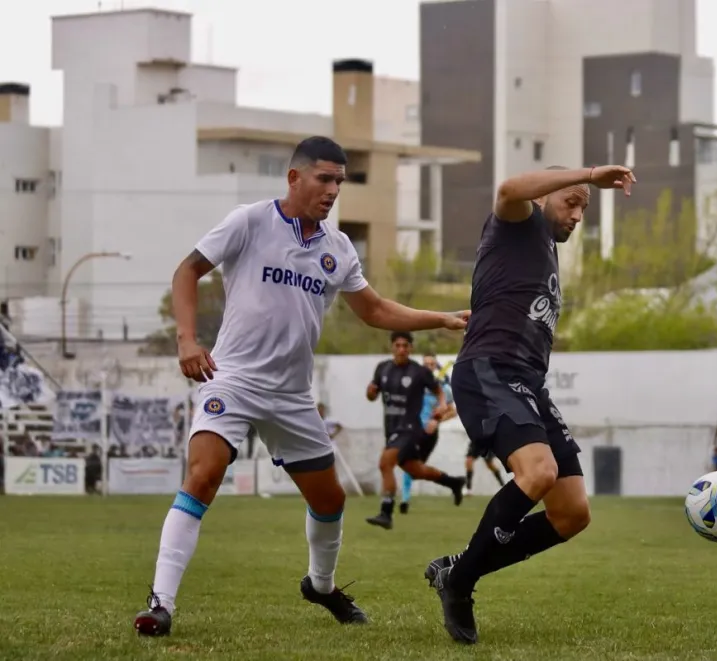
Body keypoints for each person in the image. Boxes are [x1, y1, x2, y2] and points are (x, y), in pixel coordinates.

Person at [132, 136, 469, 637]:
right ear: (294, 178)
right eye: (324, 178)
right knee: (203, 475)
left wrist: (440, 318)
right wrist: (186, 339)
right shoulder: (250, 221)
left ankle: (321, 585)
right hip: (234, 380)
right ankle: (161, 604)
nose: (334, 189)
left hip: (291, 396)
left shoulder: (337, 248)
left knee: (331, 501)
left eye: (340, 181)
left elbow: (374, 310)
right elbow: (188, 271)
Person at [423, 164, 636, 645]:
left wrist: (577, 187)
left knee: (572, 513)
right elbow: (506, 189)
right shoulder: (518, 224)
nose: (579, 213)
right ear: (545, 197)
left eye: (585, 205)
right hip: (488, 371)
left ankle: (459, 566)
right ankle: (460, 585)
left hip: (527, 382)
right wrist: (590, 174)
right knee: (537, 475)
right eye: (572, 201)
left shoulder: (546, 249)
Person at [365, 333, 465, 530]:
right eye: (398, 345)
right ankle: (454, 482)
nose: (401, 349)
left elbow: (439, 391)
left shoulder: (419, 372)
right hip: (392, 428)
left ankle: (386, 512)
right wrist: (370, 392)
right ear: (392, 347)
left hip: (410, 429)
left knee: (385, 463)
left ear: (411, 348)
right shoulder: (383, 368)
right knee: (415, 470)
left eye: (405, 345)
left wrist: (443, 405)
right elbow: (372, 393)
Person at [399, 352, 458, 514]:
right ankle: (404, 500)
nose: (428, 367)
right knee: (409, 465)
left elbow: (453, 411)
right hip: (412, 430)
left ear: (435, 366)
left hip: (429, 434)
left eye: (432, 364)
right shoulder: (413, 385)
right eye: (426, 364)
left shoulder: (444, 389)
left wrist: (437, 420)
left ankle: (453, 483)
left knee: (415, 468)